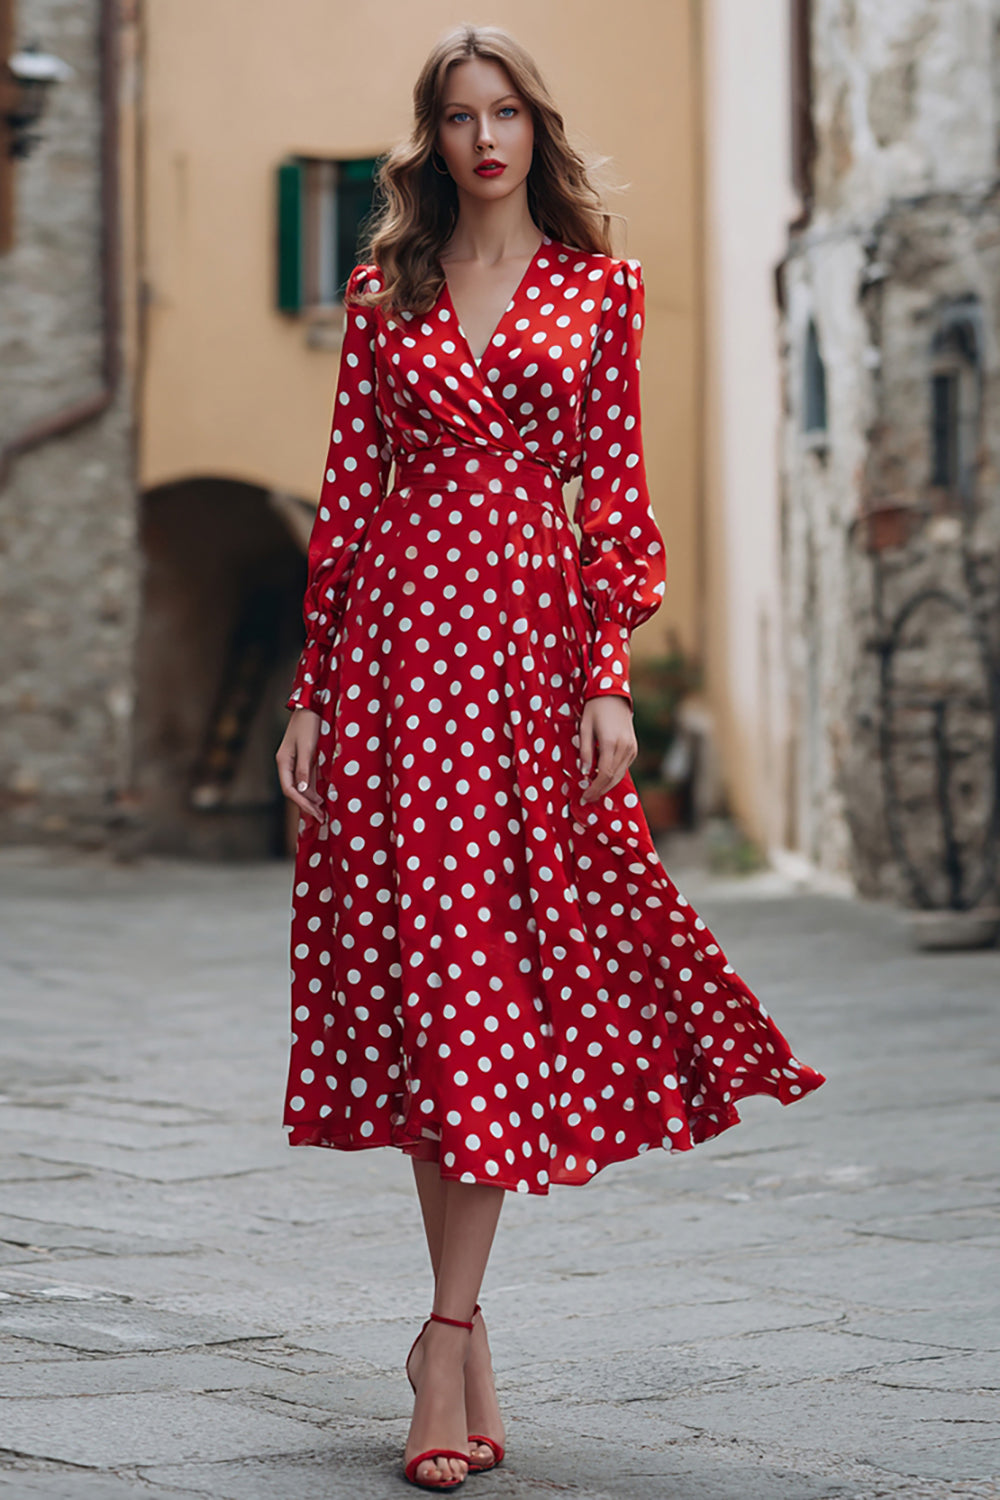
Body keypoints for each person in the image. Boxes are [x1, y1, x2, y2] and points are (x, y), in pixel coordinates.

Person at [275, 22, 825, 1492]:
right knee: (436, 984)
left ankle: (444, 1335)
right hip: (399, 660)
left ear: (537, 128)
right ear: (432, 139)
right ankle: (453, 1338)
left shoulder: (603, 287)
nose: (486, 138)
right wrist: (313, 695)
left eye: (506, 111)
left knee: (491, 980)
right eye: (460, 116)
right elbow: (345, 502)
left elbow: (617, 505)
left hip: (525, 666)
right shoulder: (381, 288)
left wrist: (605, 679)